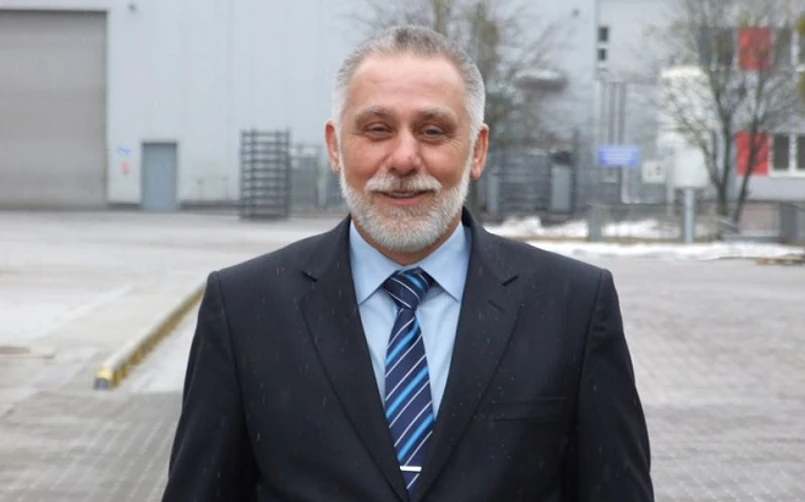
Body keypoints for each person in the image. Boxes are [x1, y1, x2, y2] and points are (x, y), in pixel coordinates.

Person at [161, 25, 653, 502]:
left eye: (433, 131)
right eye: (377, 129)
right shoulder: (246, 310)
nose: (402, 159)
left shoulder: (571, 308)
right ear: (335, 146)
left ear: (477, 150)